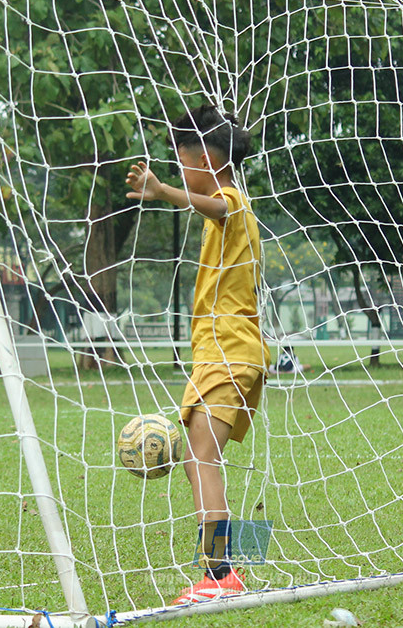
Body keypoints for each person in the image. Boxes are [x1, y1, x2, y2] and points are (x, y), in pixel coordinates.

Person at [125, 105, 268, 605]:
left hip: (229, 350)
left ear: (207, 159)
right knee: (199, 460)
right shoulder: (227, 210)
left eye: (183, 163)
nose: (180, 173)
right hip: (225, 352)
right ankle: (236, 566)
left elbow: (219, 207)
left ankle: (222, 575)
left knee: (201, 457)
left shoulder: (230, 201)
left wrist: (164, 192)